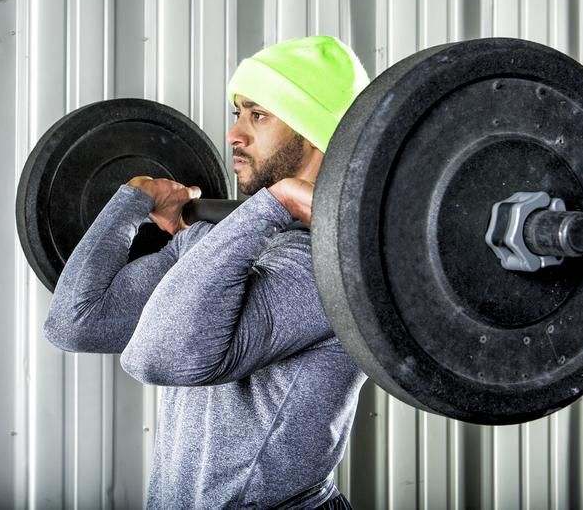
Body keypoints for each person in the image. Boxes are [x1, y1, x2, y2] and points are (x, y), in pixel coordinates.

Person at [44, 36, 370, 508]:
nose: (234, 134)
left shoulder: (329, 267)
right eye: (237, 113)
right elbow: (75, 323)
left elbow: (160, 358)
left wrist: (270, 206)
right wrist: (133, 200)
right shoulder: (219, 235)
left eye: (258, 115)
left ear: (314, 129)